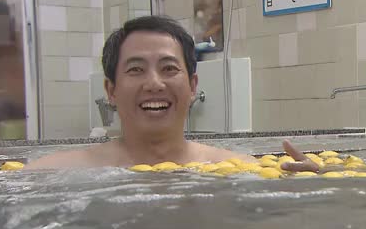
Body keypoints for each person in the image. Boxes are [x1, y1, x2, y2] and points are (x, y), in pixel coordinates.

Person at [26, 16, 253, 169]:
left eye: (169, 69)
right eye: (136, 69)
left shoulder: (237, 169)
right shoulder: (58, 172)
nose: (154, 84)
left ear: (193, 86)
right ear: (111, 90)